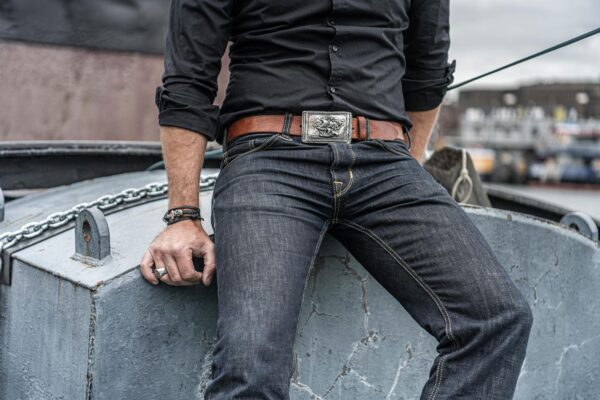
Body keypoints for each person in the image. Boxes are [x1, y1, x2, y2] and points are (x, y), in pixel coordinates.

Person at [139, 0, 533, 398]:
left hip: (385, 163)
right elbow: (189, 78)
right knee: (250, 366)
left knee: (497, 319)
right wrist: (183, 215)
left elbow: (427, 70)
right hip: (269, 160)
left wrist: (406, 172)